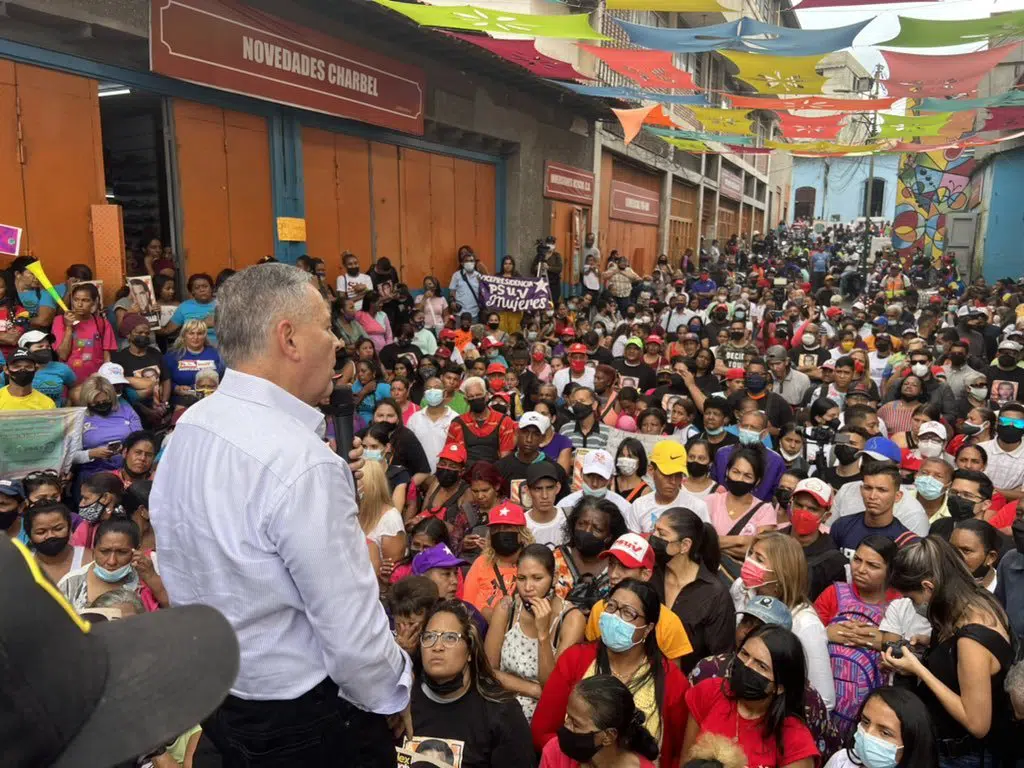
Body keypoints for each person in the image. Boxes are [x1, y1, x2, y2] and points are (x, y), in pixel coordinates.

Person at [150, 264, 411, 766]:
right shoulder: (302, 462)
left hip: (222, 700)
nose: (338, 342)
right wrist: (391, 693)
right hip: (305, 723)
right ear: (288, 338)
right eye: (326, 327)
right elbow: (354, 644)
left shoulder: (191, 427)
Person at [532, 579, 691, 768]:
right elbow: (542, 731)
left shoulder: (672, 681)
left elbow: (677, 754)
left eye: (627, 613)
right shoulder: (575, 660)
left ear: (648, 628)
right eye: (611, 607)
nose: (615, 617)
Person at [885, 536, 1014, 767]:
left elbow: (977, 724)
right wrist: (930, 646)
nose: (911, 604)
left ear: (928, 587)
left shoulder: (972, 639)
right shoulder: (972, 601)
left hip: (962, 757)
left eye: (911, 598)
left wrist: (918, 669)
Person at [411, 599, 537, 767]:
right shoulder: (401, 703)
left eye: (450, 638)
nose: (437, 646)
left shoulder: (501, 712)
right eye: (429, 637)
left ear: (469, 651)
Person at [682, 624, 819, 768]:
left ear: (779, 687)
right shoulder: (709, 692)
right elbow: (685, 761)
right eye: (745, 654)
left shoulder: (795, 739)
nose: (746, 665)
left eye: (761, 666)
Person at [732, 532, 836, 712]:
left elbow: (824, 699)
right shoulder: (741, 589)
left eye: (759, 559)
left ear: (781, 573)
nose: (749, 562)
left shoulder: (805, 624)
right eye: (751, 554)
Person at [485, 544, 585, 720]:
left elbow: (551, 687)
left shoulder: (571, 619)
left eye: (537, 578)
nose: (528, 587)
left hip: (543, 717)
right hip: (500, 710)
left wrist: (543, 633)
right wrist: (532, 689)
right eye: (522, 578)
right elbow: (487, 671)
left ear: (554, 578)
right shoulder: (507, 608)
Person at [816, 535, 901, 737]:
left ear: (890, 571)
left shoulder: (900, 604)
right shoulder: (833, 594)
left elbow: (912, 649)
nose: (861, 569)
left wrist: (881, 640)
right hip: (824, 703)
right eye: (857, 560)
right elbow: (806, 638)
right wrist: (825, 634)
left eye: (872, 565)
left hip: (874, 713)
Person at [649, 507, 734, 671]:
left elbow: (719, 659)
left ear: (685, 545)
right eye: (654, 530)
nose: (653, 537)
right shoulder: (650, 575)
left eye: (662, 534)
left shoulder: (714, 595)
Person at [539, 675, 662, 768]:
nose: (566, 726)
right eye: (568, 717)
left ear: (608, 736)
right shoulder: (555, 751)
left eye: (576, 724)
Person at [57, 518, 160, 612]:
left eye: (122, 552)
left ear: (136, 550)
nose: (112, 561)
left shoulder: (145, 578)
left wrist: (150, 577)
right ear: (94, 549)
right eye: (104, 551)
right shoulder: (70, 584)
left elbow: (170, 610)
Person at [824, 686, 939, 768]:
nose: (867, 734)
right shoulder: (842, 761)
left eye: (885, 733)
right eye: (865, 722)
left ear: (911, 744)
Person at [706, 446, 778, 560]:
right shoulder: (710, 501)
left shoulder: (765, 510)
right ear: (727, 471)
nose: (739, 479)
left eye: (747, 476)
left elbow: (759, 551)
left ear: (757, 481)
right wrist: (742, 540)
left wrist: (713, 543)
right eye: (736, 472)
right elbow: (700, 539)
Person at [463, 501, 532, 620]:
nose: (501, 532)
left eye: (507, 527)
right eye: (496, 529)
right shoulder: (481, 563)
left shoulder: (533, 564)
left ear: (522, 533)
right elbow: (467, 607)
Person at [551, 495, 627, 599]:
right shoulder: (555, 558)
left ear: (609, 537)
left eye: (597, 529)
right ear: (574, 524)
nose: (587, 531)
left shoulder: (617, 568)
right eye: (582, 524)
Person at [784, 478, 848, 601]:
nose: (803, 513)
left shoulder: (834, 562)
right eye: (799, 505)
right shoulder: (771, 542)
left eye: (812, 509)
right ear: (790, 505)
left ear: (826, 516)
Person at [627, 441, 709, 535]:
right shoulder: (639, 506)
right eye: (667, 474)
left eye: (678, 474)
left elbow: (705, 545)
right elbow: (632, 543)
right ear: (651, 470)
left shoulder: (697, 507)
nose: (673, 481)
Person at [831, 463, 912, 557]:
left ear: (897, 496)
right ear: (861, 490)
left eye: (882, 490)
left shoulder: (905, 541)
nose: (872, 496)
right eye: (868, 488)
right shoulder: (841, 526)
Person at [52, 281, 117, 384]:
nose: (79, 304)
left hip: (95, 380)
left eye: (85, 300)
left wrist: (106, 378)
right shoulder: (59, 321)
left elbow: (106, 356)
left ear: (94, 302)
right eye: (76, 300)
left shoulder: (102, 323)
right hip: (69, 380)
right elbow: (63, 355)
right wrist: (69, 327)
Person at [447, 376, 517, 466]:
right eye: (471, 396)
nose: (475, 399)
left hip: (494, 473)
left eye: (479, 395)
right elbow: (451, 455)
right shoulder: (457, 423)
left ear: (487, 396)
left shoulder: (504, 421)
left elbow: (505, 457)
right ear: (466, 400)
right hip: (464, 473)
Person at [24, 500, 91, 585]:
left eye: (58, 529)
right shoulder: (22, 565)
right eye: (41, 532)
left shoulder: (89, 561)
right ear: (29, 535)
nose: (51, 535)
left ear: (69, 529)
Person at [557, 448, 633, 522]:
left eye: (601, 478)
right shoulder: (565, 505)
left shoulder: (624, 509)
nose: (594, 483)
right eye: (590, 475)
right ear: (581, 473)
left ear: (610, 479)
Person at [163, 318, 224, 409]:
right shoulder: (172, 355)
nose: (195, 337)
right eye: (191, 333)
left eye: (199, 333)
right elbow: (164, 380)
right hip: (181, 400)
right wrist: (176, 388)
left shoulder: (216, 354)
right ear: (184, 335)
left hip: (210, 399)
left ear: (205, 336)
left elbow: (224, 378)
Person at [976, 401, 1024, 503]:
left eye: (1018, 423)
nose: (1011, 426)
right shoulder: (979, 450)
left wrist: (985, 489)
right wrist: (1011, 493)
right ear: (997, 423)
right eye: (1005, 421)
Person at [15, 329, 78, 406]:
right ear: (25, 349)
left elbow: (75, 388)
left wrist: (68, 406)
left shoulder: (62, 368)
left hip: (55, 415)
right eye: (40, 346)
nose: (45, 349)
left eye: (48, 346)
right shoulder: (15, 370)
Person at [159, 272, 218, 345]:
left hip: (219, 348)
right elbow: (166, 331)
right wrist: (152, 317)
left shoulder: (223, 305)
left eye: (205, 286)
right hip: (191, 349)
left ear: (212, 288)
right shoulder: (184, 307)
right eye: (197, 288)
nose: (202, 290)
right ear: (192, 292)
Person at [950, 518, 1001, 593]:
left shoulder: (1006, 592)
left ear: (991, 557)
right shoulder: (938, 584)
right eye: (951, 548)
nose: (955, 556)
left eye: (966, 551)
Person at [612, 437, 652, 503]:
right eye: (622, 455)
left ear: (640, 460)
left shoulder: (646, 492)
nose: (625, 460)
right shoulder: (609, 482)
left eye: (630, 456)